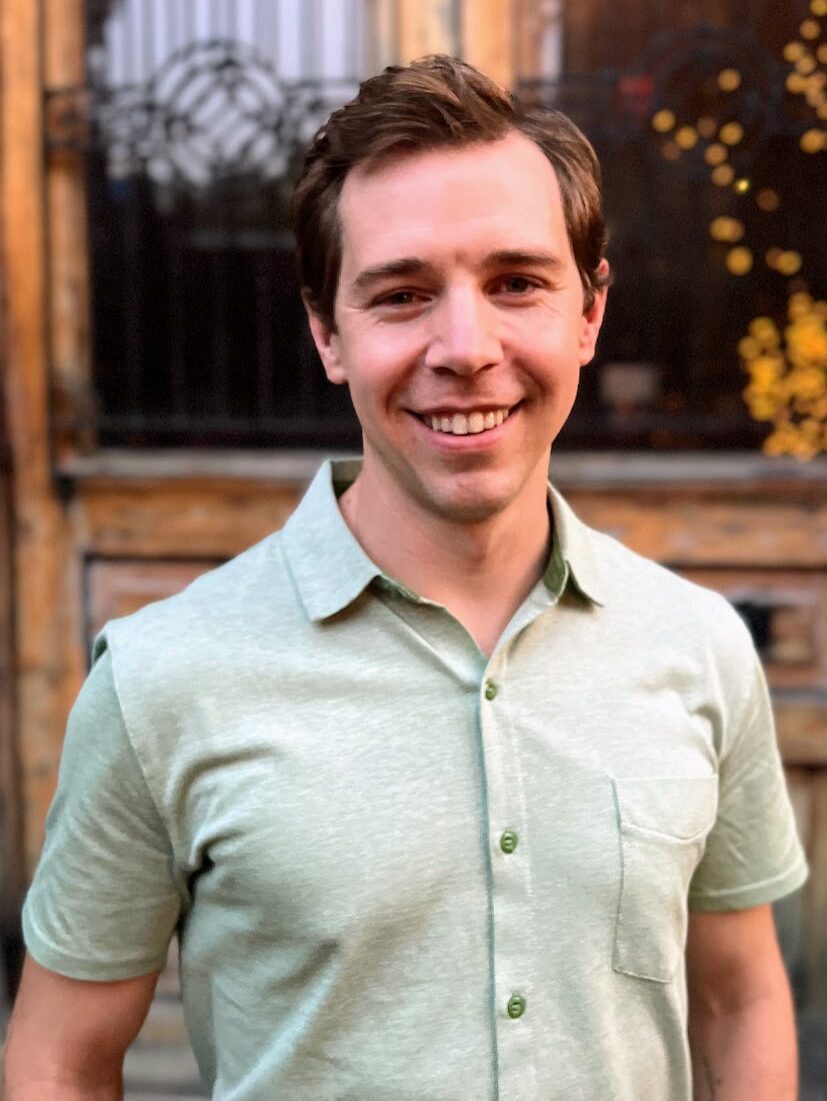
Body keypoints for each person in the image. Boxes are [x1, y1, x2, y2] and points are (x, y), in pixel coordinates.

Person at [3, 55, 807, 1101]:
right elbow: (58, 1059)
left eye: (515, 282)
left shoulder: (694, 646)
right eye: (401, 294)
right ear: (326, 332)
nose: (464, 347)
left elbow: (737, 999)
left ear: (588, 312)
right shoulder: (164, 678)